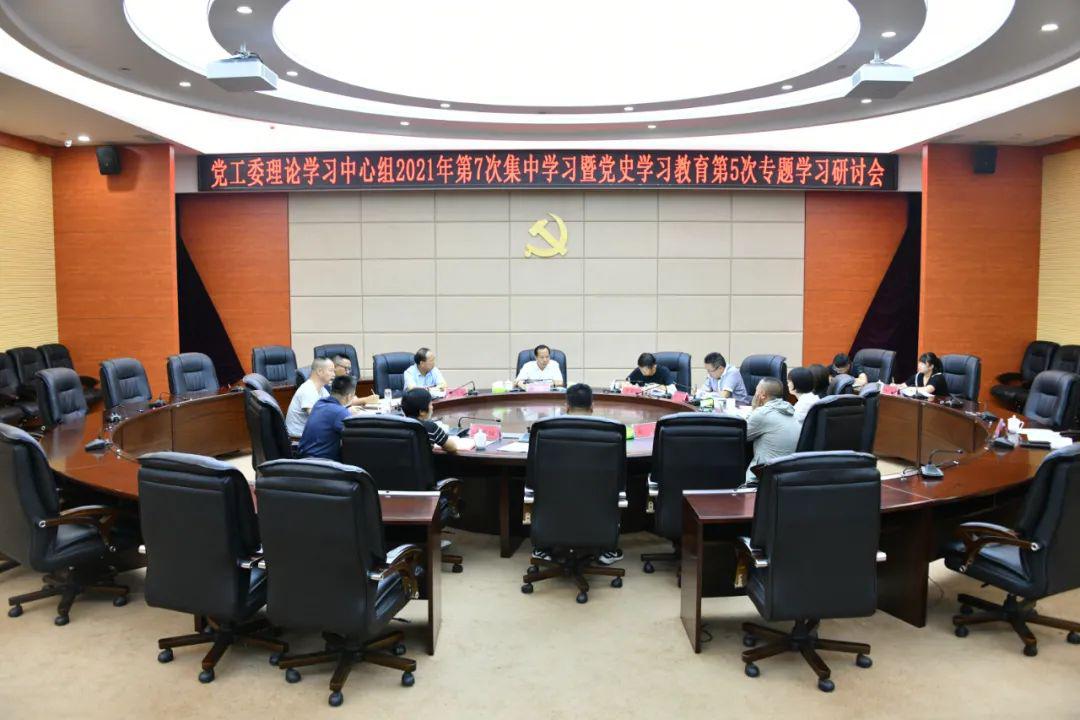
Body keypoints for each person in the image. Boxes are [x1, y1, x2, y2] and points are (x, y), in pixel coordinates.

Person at [531, 381, 622, 566]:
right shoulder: (610, 432)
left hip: (554, 504)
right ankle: (607, 549)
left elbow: (532, 474)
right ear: (592, 407)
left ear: (566, 406)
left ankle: (543, 547)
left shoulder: (546, 430)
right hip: (597, 504)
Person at [745, 377, 800, 483]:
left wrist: (754, 408)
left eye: (756, 390)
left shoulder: (762, 413)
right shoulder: (790, 409)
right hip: (789, 473)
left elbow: (742, 436)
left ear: (762, 394)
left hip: (764, 475)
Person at [297, 375, 356, 461]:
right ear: (349, 396)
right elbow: (354, 436)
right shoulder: (340, 412)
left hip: (303, 459)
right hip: (322, 463)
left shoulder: (319, 403)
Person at [285, 357, 334, 436]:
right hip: (299, 438)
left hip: (311, 434)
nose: (334, 374)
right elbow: (317, 418)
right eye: (331, 371)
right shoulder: (307, 389)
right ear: (320, 371)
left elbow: (332, 407)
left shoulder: (321, 389)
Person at [401, 387, 459, 453]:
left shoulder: (397, 424)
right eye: (431, 404)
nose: (432, 407)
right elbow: (452, 448)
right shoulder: (430, 427)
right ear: (422, 411)